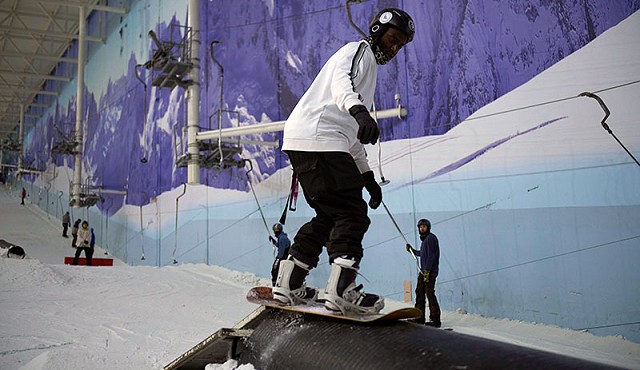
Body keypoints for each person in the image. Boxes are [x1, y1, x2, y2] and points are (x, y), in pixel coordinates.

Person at [273, 8, 415, 315]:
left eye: (399, 45)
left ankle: (289, 283)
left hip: (313, 140)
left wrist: (367, 177)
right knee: (352, 213)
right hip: (319, 136)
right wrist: (360, 112)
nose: (394, 48)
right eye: (392, 39)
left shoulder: (369, 71)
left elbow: (350, 135)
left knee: (329, 215)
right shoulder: (357, 51)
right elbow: (341, 85)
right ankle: (341, 291)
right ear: (377, 31)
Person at [406, 219, 441, 327]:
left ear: (428, 227)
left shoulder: (430, 238)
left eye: (424, 226)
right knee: (419, 293)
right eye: (420, 227)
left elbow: (431, 256)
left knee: (430, 294)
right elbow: (422, 253)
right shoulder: (425, 240)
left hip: (429, 272)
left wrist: (427, 271)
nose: (422, 228)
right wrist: (412, 250)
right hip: (423, 271)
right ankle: (419, 318)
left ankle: (435, 320)